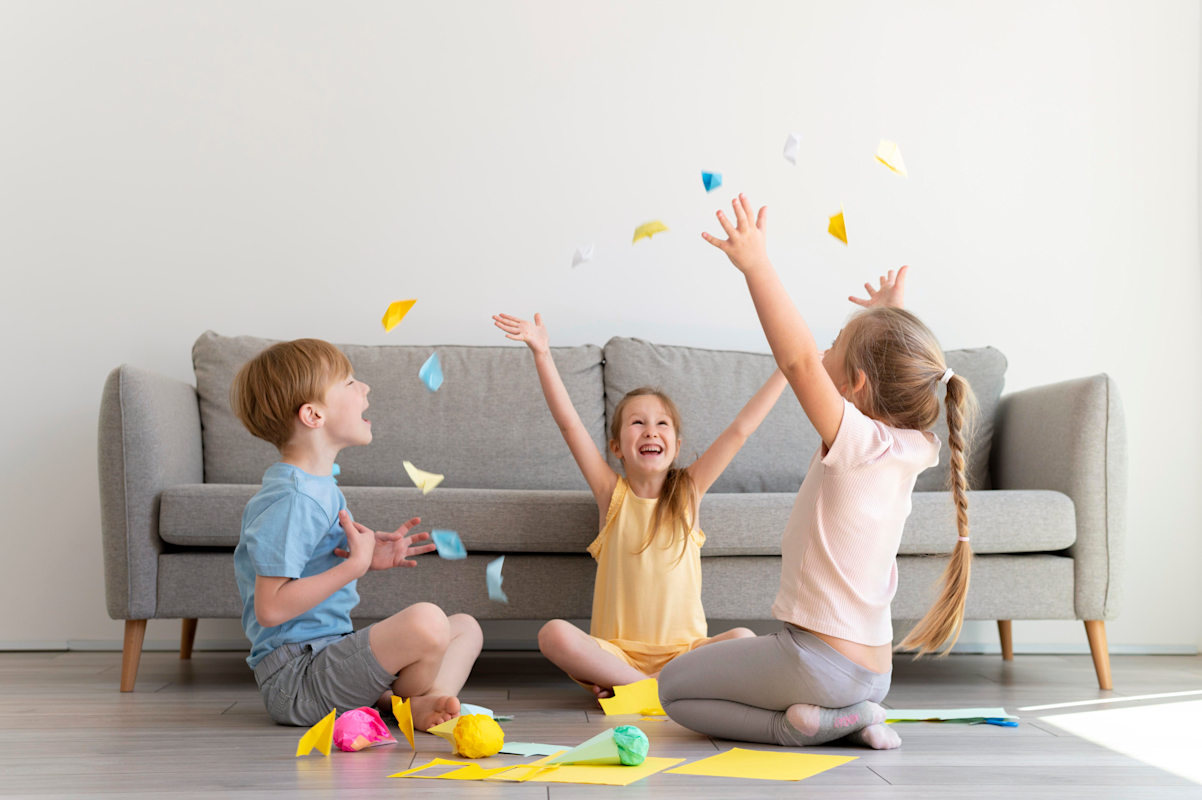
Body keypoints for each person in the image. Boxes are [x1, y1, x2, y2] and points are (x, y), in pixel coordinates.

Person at [658, 194, 977, 751]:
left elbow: (799, 360)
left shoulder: (855, 441)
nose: (824, 351)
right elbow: (901, 378)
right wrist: (890, 321)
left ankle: (800, 726)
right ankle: (852, 715)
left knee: (672, 690)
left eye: (836, 348)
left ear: (855, 385)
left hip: (820, 665)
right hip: (875, 671)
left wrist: (756, 265)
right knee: (730, 661)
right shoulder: (915, 446)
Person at [493, 311, 788, 698]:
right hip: (616, 656)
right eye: (637, 424)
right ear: (616, 448)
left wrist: (787, 368)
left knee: (745, 638)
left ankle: (638, 690)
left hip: (686, 654)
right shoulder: (610, 493)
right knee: (553, 635)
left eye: (662, 424)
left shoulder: (689, 491)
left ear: (676, 446)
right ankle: (654, 689)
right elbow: (570, 425)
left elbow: (740, 430)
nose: (650, 430)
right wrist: (542, 354)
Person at [230, 338, 482, 729]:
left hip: (327, 659)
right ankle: (404, 704)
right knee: (428, 621)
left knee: (465, 626)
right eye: (349, 383)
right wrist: (355, 567)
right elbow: (271, 608)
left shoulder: (317, 487)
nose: (364, 389)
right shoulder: (294, 498)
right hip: (296, 681)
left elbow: (309, 567)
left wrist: (357, 555)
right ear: (313, 415)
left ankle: (409, 706)